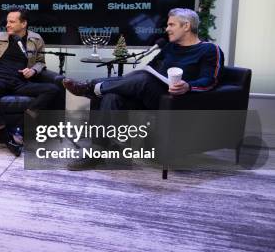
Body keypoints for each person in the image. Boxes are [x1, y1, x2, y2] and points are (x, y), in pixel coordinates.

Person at [63, 8, 224, 165]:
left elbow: (210, 80)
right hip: (150, 95)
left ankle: (92, 87)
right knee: (111, 96)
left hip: (178, 100)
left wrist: (188, 86)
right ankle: (98, 150)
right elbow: (150, 69)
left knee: (143, 78)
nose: (167, 29)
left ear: (186, 26)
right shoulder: (169, 48)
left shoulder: (209, 49)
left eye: (171, 25)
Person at [0, 9, 61, 156]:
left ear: (24, 23)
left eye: (12, 22)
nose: (7, 25)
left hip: (21, 82)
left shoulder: (36, 39)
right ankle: (5, 134)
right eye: (7, 21)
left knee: (53, 89)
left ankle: (20, 127)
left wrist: (34, 71)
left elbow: (40, 62)